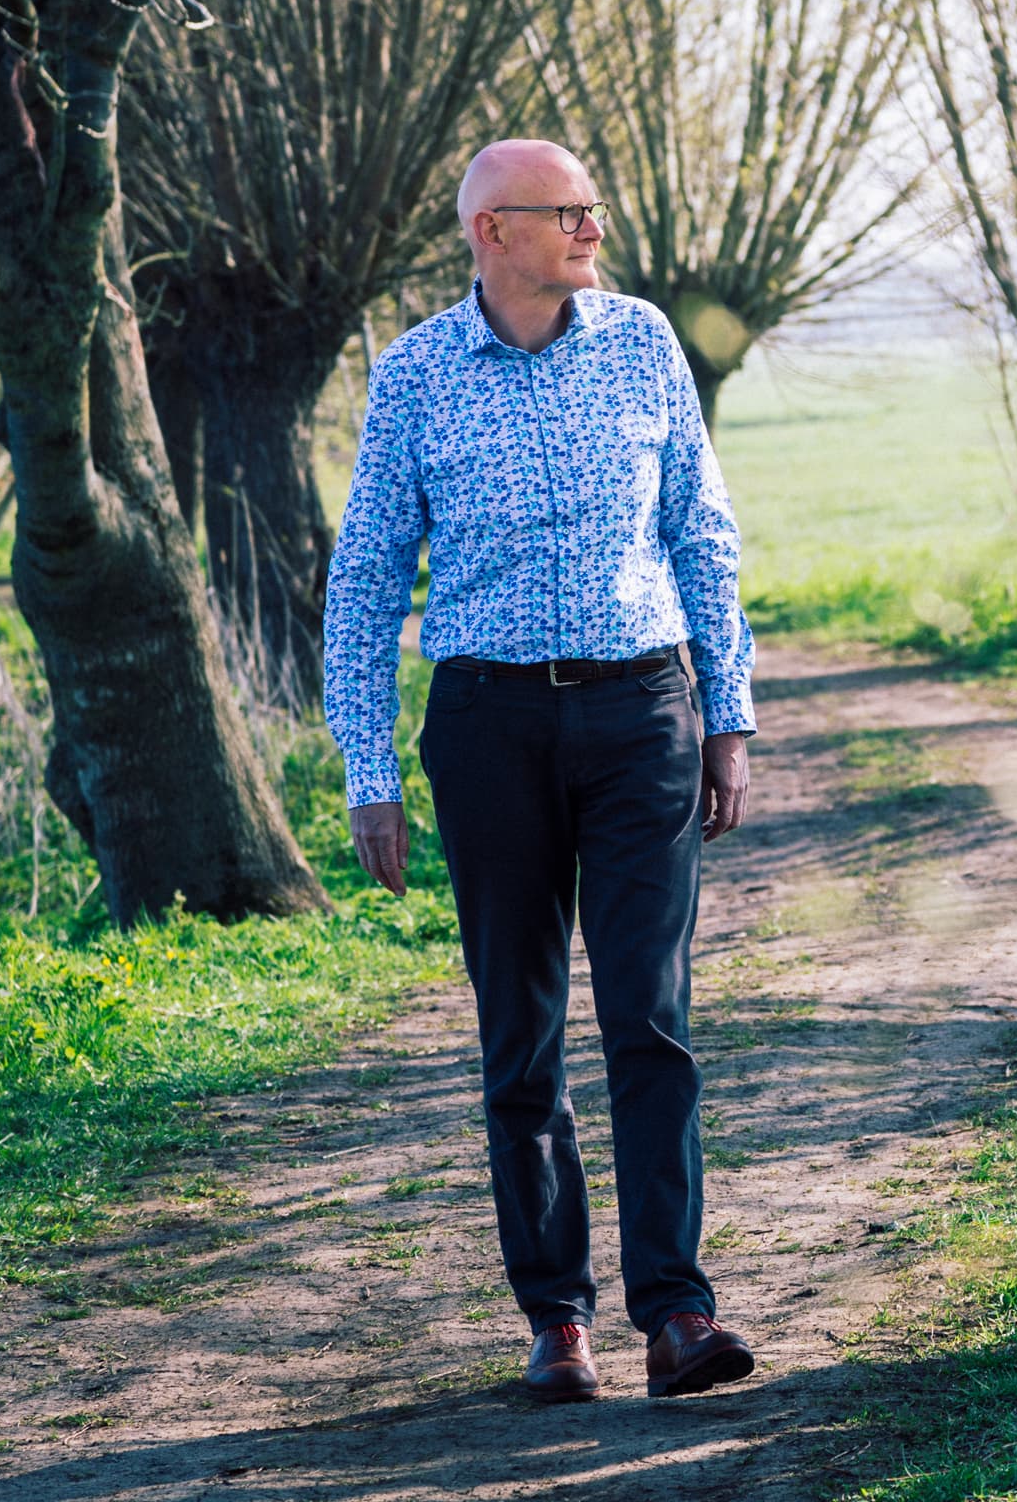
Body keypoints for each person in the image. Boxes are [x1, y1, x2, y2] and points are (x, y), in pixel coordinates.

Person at [321, 138, 759, 1404]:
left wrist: (725, 714)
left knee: (651, 1019)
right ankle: (555, 1319)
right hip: (488, 726)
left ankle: (676, 1311)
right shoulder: (413, 376)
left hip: (640, 711)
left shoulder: (641, 343)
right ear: (490, 231)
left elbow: (700, 529)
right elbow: (365, 577)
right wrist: (370, 763)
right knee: (521, 1030)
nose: (592, 228)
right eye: (565, 211)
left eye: (594, 207)